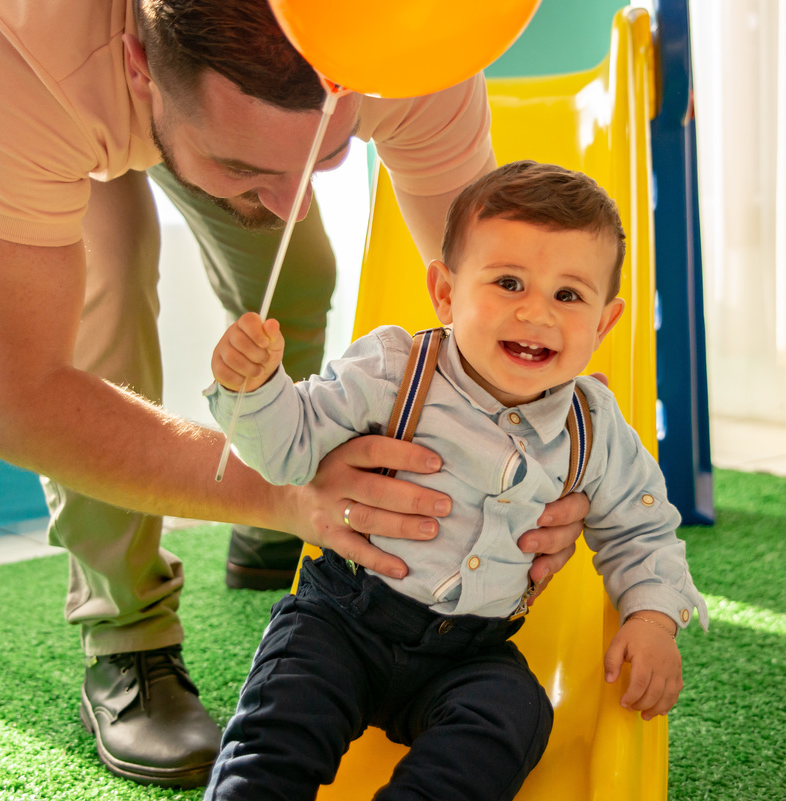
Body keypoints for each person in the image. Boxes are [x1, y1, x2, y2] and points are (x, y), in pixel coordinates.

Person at [0, 0, 593, 788]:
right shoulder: (14, 49)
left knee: (296, 266)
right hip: (43, 47)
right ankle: (128, 637)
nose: (295, 200)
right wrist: (284, 492)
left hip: (194, 80)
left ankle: (265, 539)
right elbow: (13, 394)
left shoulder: (406, 39)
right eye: (246, 169)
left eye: (326, 155)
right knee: (108, 271)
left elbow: (499, 302)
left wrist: (557, 469)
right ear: (141, 69)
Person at [204, 160, 710, 801]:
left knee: (515, 713)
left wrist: (653, 619)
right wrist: (253, 388)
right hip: (344, 619)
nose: (537, 314)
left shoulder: (595, 426)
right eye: (508, 283)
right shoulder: (395, 369)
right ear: (445, 293)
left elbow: (642, 529)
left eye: (568, 295)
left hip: (471, 650)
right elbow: (289, 448)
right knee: (279, 726)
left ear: (604, 324)